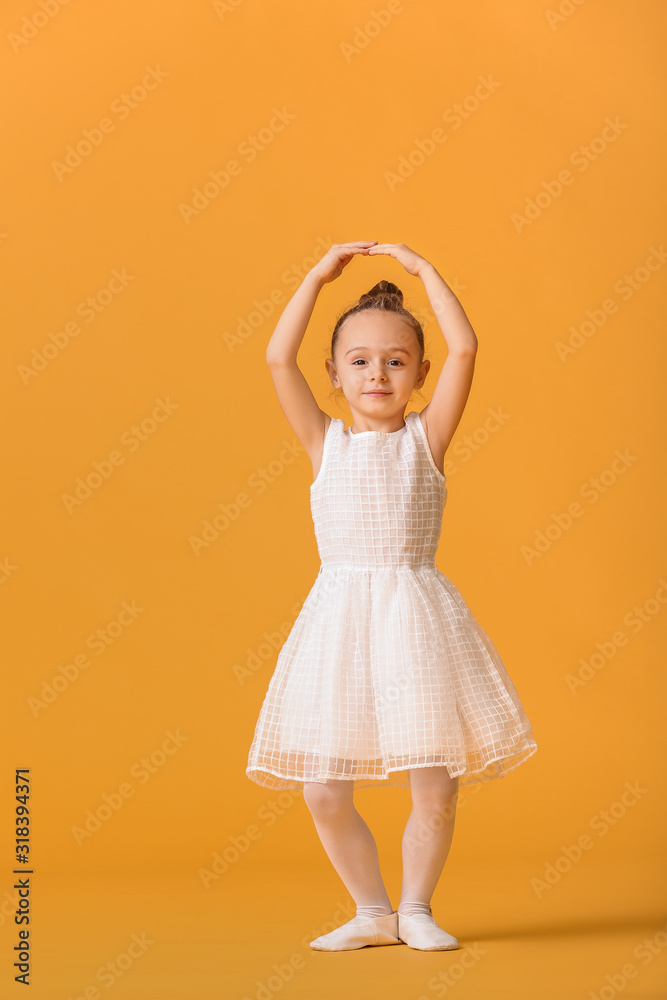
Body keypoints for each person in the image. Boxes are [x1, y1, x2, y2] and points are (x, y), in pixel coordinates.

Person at [246, 241, 538, 952]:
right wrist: (316, 276)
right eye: (359, 360)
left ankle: (415, 909)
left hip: (414, 621)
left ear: (418, 374)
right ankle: (371, 910)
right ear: (335, 375)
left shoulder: (425, 441)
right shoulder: (324, 443)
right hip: (339, 623)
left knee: (432, 780)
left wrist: (425, 273)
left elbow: (466, 347)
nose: (377, 372)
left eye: (396, 360)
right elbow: (275, 360)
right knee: (322, 788)